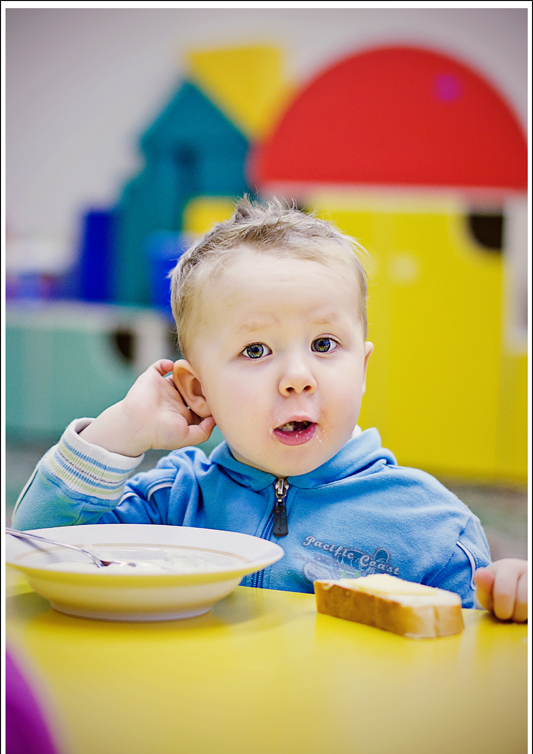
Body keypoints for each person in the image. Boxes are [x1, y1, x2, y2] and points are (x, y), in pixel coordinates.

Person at [13, 197, 527, 621]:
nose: (298, 376)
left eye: (324, 344)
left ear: (363, 369)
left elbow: (467, 663)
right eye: (256, 350)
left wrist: (508, 600)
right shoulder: (175, 500)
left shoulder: (430, 527)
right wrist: (121, 430)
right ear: (198, 390)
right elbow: (42, 545)